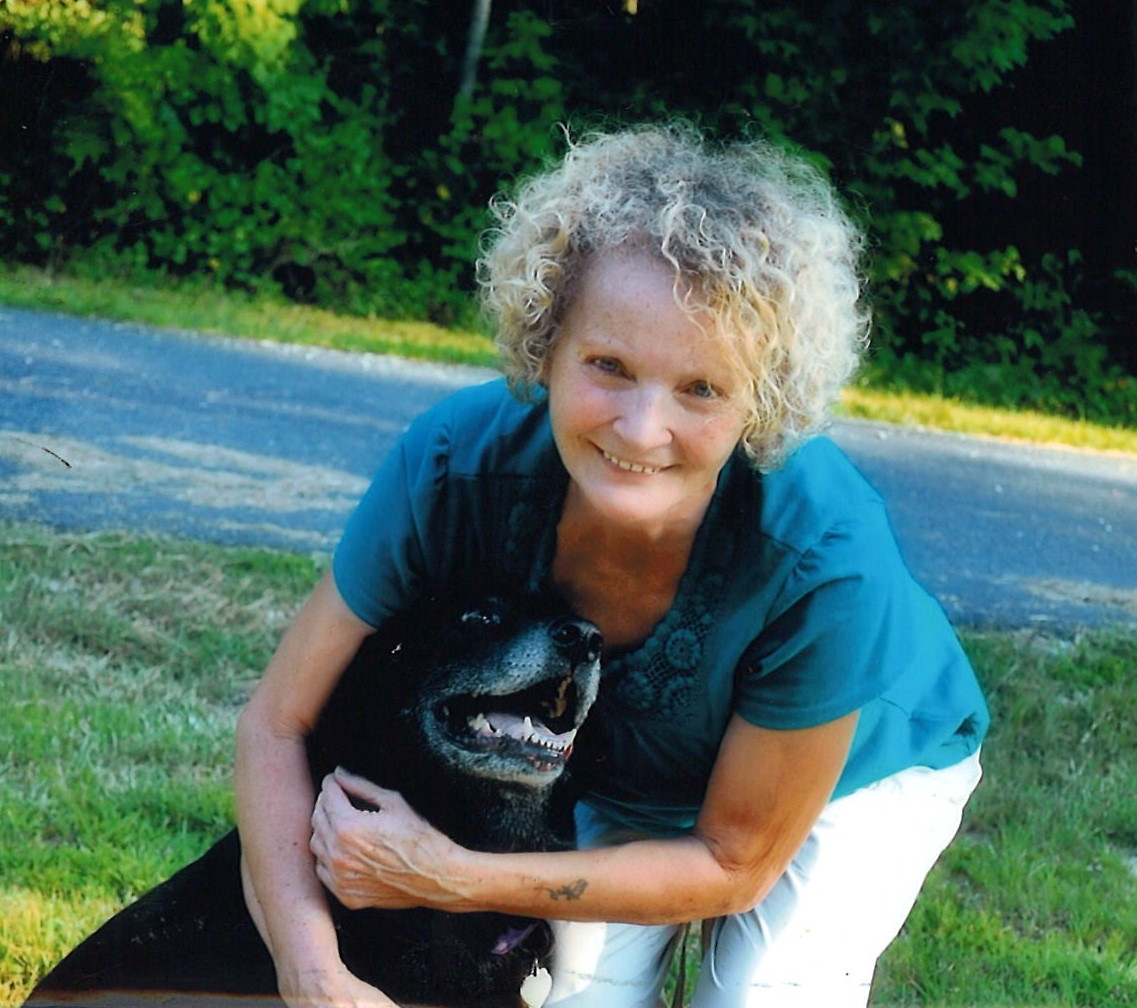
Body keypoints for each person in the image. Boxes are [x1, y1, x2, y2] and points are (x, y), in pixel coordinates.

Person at [235, 122, 989, 1008]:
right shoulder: (450, 465)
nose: (640, 429)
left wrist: (452, 874)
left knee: (761, 996)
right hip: (626, 774)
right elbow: (277, 723)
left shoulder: (827, 555)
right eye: (608, 366)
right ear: (545, 343)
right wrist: (312, 971)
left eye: (701, 388)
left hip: (856, 775)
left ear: (761, 401)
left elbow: (733, 864)